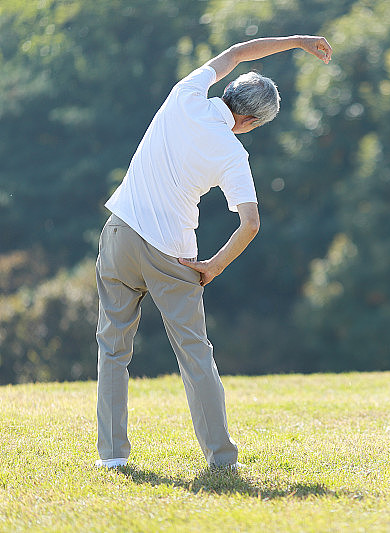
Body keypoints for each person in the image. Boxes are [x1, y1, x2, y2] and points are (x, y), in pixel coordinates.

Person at [95, 35, 332, 469]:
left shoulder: (184, 94)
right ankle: (221, 459)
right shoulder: (232, 152)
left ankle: (112, 457)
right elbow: (251, 222)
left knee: (112, 348)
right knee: (195, 356)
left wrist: (298, 42)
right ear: (248, 120)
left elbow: (240, 52)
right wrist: (213, 266)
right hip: (172, 253)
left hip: (118, 232)